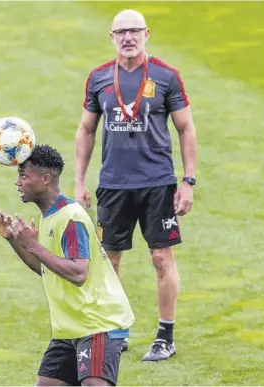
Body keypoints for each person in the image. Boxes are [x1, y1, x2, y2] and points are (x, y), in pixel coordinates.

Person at [74, 9, 198, 362]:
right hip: (113, 185)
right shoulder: (98, 78)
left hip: (157, 183)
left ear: (147, 34)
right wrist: (80, 180)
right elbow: (86, 129)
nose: (128, 38)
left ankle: (165, 335)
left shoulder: (166, 76)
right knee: (109, 260)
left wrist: (187, 182)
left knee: (161, 258)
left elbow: (186, 128)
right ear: (111, 38)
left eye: (134, 31)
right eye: (121, 32)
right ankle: (115, 329)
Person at [0, 144, 135, 386]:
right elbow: (44, 268)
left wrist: (33, 245)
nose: (17, 182)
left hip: (98, 323)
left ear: (45, 179)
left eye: (23, 175)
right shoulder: (50, 216)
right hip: (70, 327)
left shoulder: (71, 218)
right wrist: (14, 240)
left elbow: (78, 272)